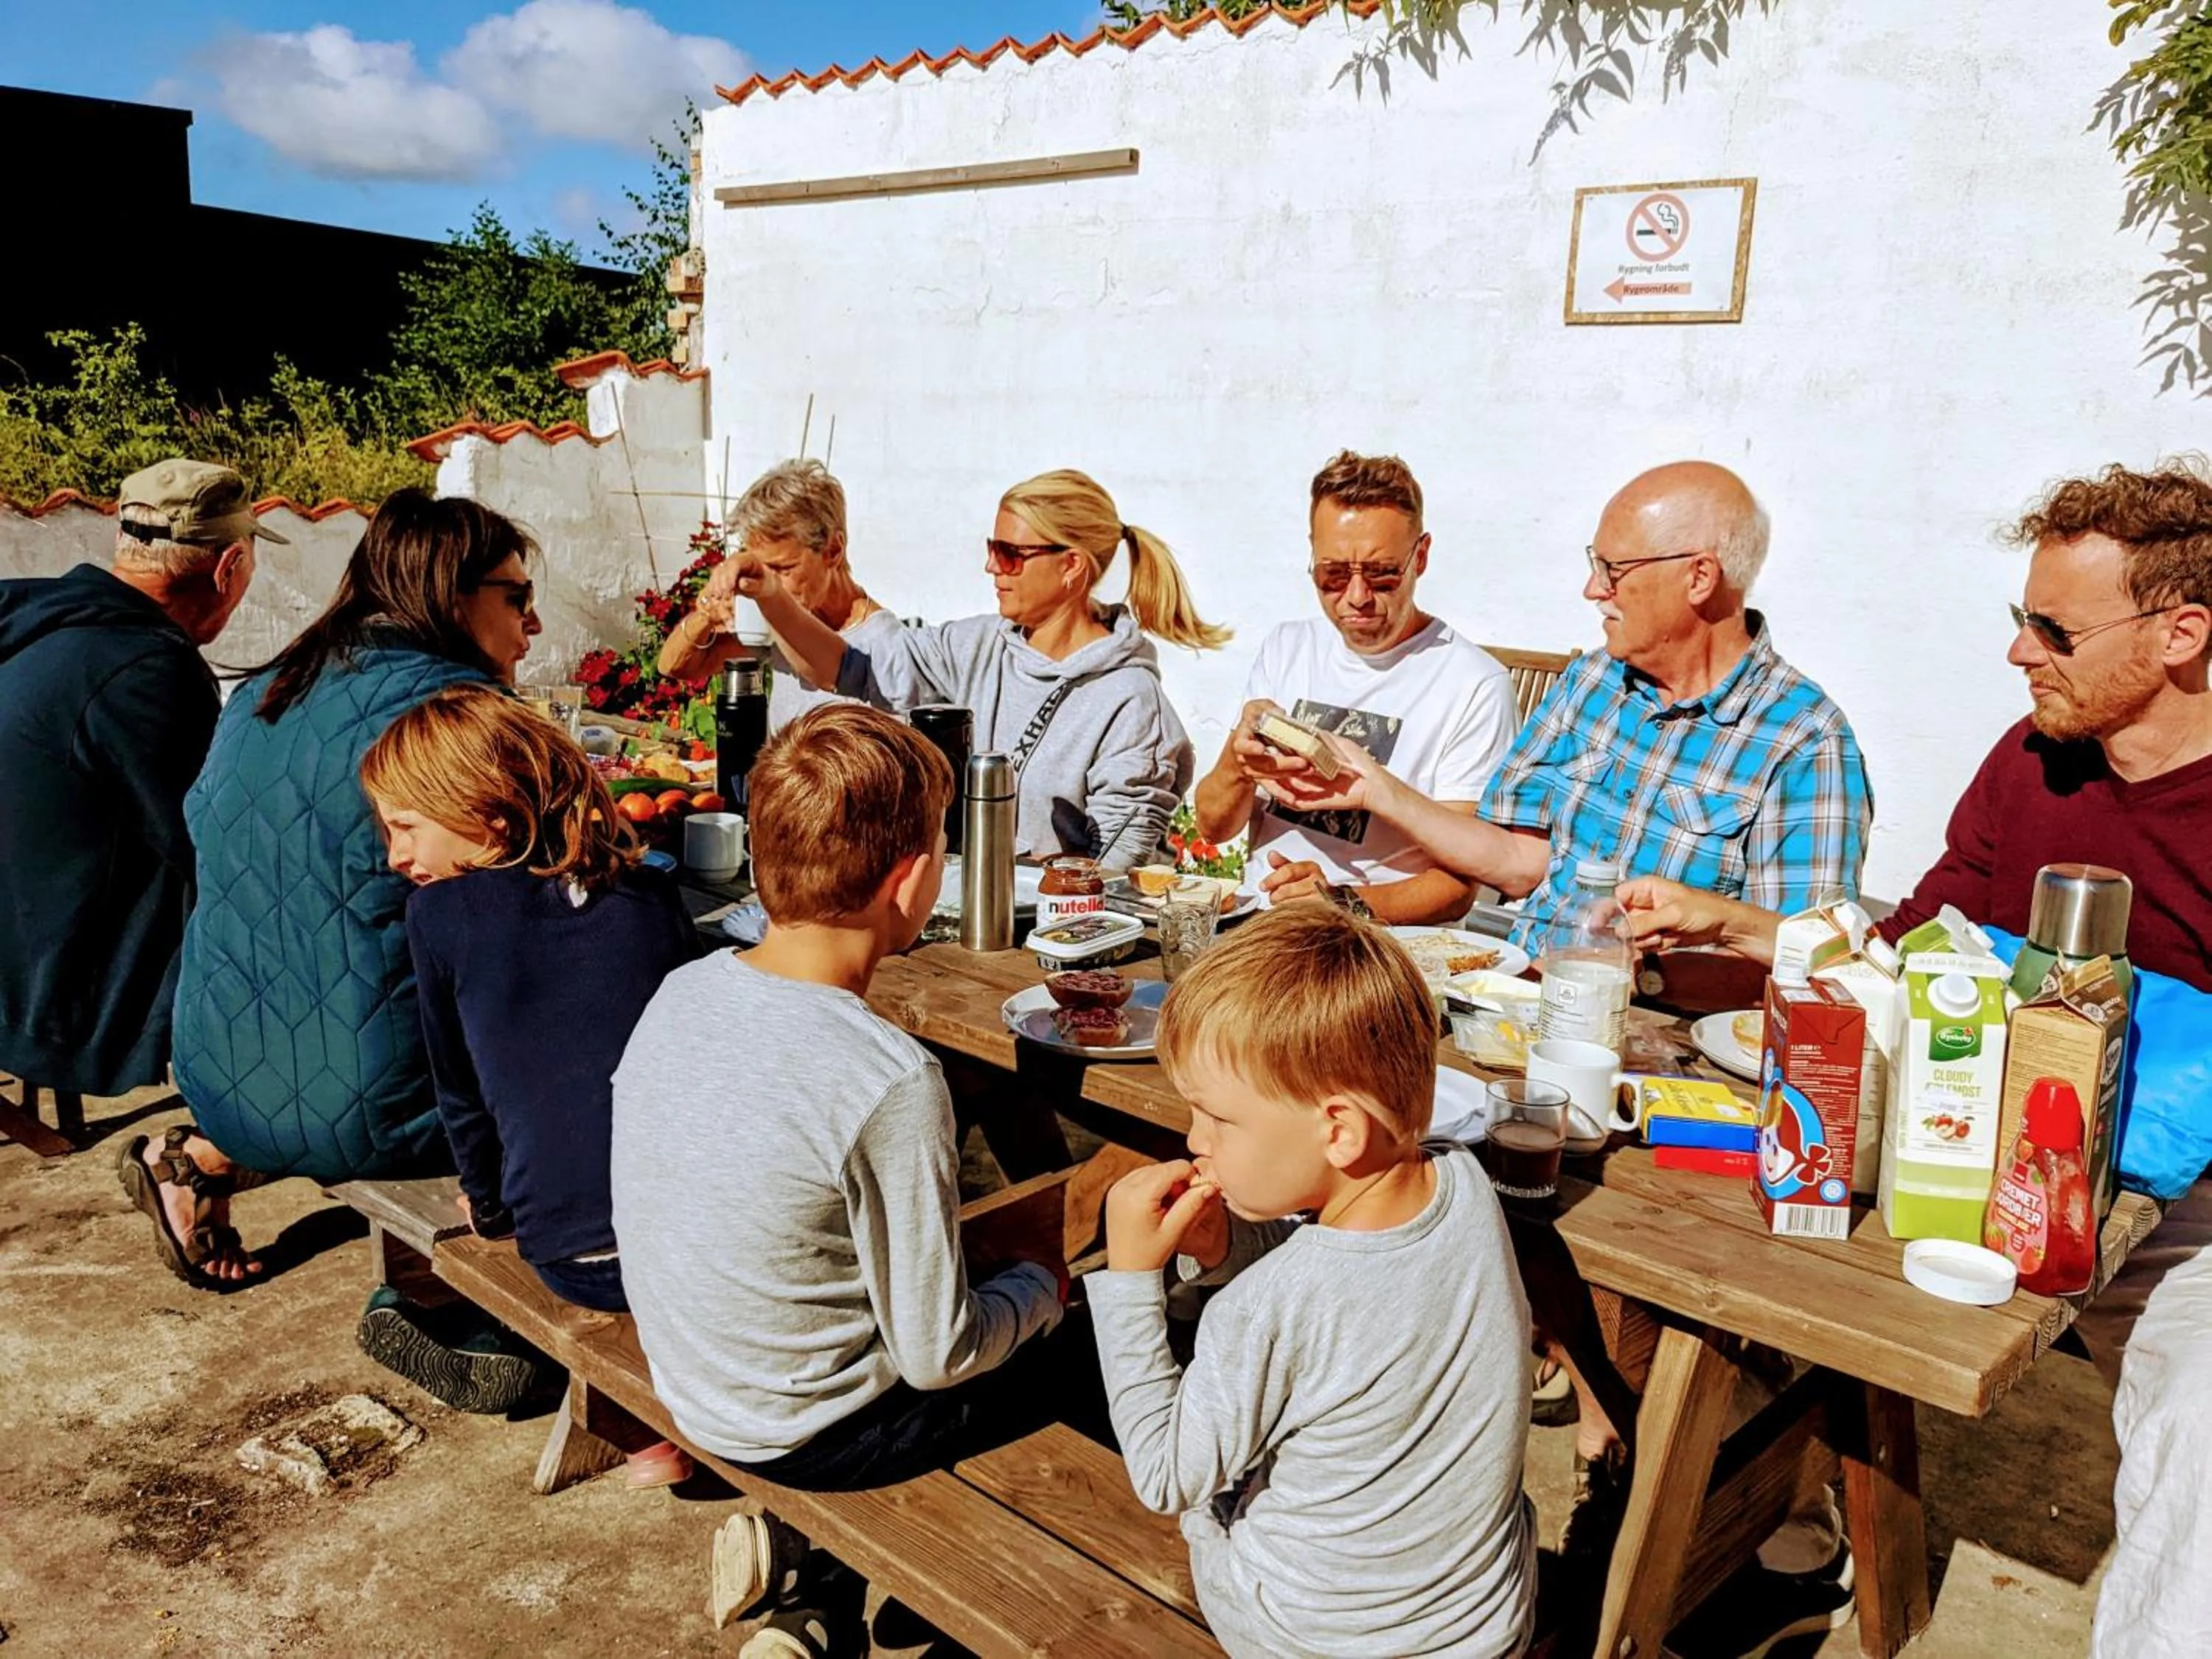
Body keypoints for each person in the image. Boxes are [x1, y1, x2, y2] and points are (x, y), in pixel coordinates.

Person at [1615, 461, 2212, 1658]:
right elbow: (1908, 947)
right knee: (1712, 1208)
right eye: (2018, 620)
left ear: (2183, 633)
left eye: (2053, 628)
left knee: (2206, 1423)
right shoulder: (2033, 759)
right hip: (1967, 1136)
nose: (2019, 654)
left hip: (2182, 1196)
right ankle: (1781, 1533)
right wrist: (1734, 924)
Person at [609, 703, 1072, 1621]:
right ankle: (947, 1582)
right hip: (815, 1432)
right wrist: (1045, 1291)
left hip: (700, 1386)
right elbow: (939, 1355)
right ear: (911, 883)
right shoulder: (887, 1076)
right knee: (1091, 1335)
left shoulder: (683, 989)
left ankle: (816, 1583)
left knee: (982, 1261)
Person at [119, 490, 543, 1297]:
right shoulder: (459, 715)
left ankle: (193, 1160)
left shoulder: (267, 688)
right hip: (374, 1111)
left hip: (215, 1074)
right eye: (517, 597)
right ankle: (442, 1301)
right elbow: (530, 918)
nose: (533, 624)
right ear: (453, 594)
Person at [1092, 904, 1534, 1657]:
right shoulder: (1464, 1182)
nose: (1195, 1140)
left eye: (1216, 1119)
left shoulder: (1263, 1309)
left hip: (1314, 1638)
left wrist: (1130, 1279)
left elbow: (1168, 1477)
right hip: (1480, 1625)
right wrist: (1230, 1244)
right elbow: (1355, 1280)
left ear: (1339, 1131)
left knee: (1205, 1508)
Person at [1267, 461, 1871, 942]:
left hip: (1661, 1034)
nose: (1593, 590)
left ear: (1699, 577)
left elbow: (1809, 959)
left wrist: (1636, 961)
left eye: (1613, 569)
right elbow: (1517, 860)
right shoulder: (1594, 682)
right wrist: (1375, 786)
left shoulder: (1802, 740)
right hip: (1511, 998)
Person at [356, 684, 699, 1476]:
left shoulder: (438, 920)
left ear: (491, 817)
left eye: (406, 828)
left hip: (576, 1256)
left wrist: (487, 1204)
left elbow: (462, 1095)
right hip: (697, 1242)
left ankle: (637, 1424)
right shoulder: (650, 892)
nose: (395, 856)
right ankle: (655, 1419)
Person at [704, 468, 1225, 869]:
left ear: (1071, 567)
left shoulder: (1130, 701)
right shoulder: (979, 644)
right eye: (991, 549)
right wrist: (770, 593)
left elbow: (1116, 864)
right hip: (973, 922)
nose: (991, 567)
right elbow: (847, 668)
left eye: (1010, 554)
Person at [0, 459, 265, 1104]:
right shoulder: (147, 671)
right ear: (227, 568)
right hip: (53, 999)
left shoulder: (35, 625)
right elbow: (215, 843)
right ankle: (215, 1154)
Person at [1189, 450, 1518, 925]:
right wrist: (1240, 766)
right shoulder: (1288, 648)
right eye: (1334, 575)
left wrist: (1341, 905)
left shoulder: (1473, 684)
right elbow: (1214, 827)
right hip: (1262, 928)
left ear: (1420, 557)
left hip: (1376, 948)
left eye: (1382, 574)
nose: (1357, 597)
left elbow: (1458, 886)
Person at [656, 459, 902, 731]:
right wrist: (707, 613)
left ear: (833, 550)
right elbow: (676, 667)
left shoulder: (882, 646)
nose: (768, 583)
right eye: (762, 568)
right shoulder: (774, 620)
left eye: (783, 568)